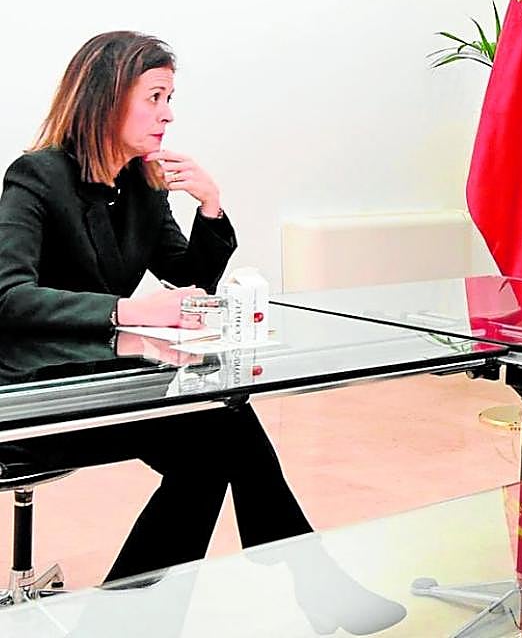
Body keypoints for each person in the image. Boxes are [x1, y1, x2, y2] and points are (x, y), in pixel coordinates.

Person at [0, 33, 404, 633]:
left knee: (219, 434)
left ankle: (124, 623)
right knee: (222, 432)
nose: (168, 113)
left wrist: (210, 205)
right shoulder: (38, 176)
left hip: (110, 381)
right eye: (155, 96)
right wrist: (130, 311)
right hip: (37, 396)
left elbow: (188, 275)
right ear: (105, 97)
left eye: (170, 97)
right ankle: (305, 583)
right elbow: (9, 295)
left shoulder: (140, 181)